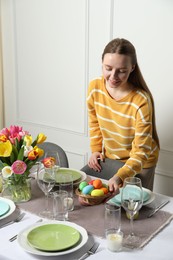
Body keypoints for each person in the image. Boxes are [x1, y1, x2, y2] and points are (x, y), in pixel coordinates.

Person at [81, 38, 160, 196]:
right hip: (112, 157)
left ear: (132, 68)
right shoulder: (94, 87)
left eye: (121, 71)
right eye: (108, 68)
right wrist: (96, 150)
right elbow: (95, 122)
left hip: (141, 162)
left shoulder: (141, 101)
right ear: (102, 63)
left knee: (133, 210)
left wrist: (120, 176)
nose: (113, 76)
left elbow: (140, 152)